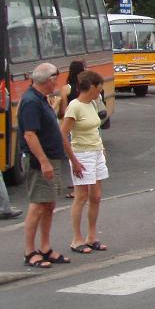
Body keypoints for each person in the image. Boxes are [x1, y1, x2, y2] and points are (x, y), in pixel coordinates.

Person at [18, 63, 71, 268]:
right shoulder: (31, 101)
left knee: (48, 204)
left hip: (51, 158)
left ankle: (45, 247)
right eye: (56, 78)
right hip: (41, 161)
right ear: (49, 80)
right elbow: (29, 135)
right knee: (38, 205)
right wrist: (43, 162)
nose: (57, 82)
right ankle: (30, 251)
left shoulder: (41, 98)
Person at [60, 70, 110, 254]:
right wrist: (74, 160)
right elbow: (63, 134)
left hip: (96, 151)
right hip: (82, 154)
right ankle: (76, 239)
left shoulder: (93, 103)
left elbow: (95, 128)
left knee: (96, 196)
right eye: (99, 88)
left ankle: (91, 236)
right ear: (91, 87)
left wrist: (101, 148)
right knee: (81, 196)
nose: (100, 92)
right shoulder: (75, 106)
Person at [57, 60, 86, 198]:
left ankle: (76, 187)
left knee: (72, 155)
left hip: (70, 125)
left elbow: (64, 111)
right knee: (83, 153)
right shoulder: (85, 88)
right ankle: (80, 182)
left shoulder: (66, 89)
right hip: (84, 124)